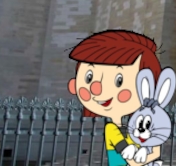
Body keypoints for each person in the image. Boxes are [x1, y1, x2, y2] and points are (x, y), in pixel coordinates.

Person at [67, 30, 164, 166]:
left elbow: (154, 152)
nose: (99, 90)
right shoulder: (112, 129)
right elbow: (130, 158)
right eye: (89, 77)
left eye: (119, 81)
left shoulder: (137, 127)